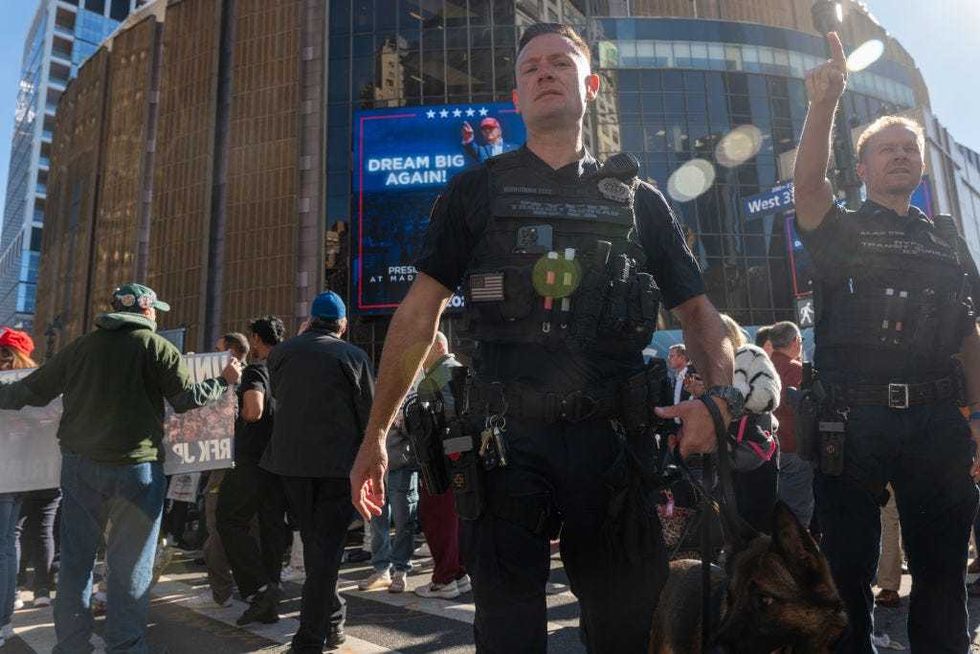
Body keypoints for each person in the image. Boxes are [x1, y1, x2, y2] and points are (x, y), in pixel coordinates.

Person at [351, 22, 738, 652]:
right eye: (530, 68)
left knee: (624, 629)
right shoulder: (473, 191)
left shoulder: (641, 202)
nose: (544, 74)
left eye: (559, 63)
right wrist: (375, 434)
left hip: (611, 444)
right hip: (505, 449)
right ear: (516, 95)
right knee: (506, 632)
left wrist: (718, 400)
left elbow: (698, 313)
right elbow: (419, 314)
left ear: (589, 86)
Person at [794, 32, 980, 653]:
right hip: (853, 420)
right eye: (885, 149)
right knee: (846, 576)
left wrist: (977, 418)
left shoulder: (950, 241)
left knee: (943, 576)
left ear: (921, 165)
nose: (899, 155)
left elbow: (970, 333)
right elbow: (809, 189)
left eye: (909, 148)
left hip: (936, 421)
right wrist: (824, 104)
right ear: (865, 167)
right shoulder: (841, 229)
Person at [0, 283, 241, 654]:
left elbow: (28, 392)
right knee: (130, 565)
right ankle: (126, 647)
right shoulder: (158, 347)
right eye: (155, 311)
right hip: (138, 469)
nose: (157, 316)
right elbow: (184, 400)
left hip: (81, 468)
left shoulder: (80, 347)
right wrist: (222, 381)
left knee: (76, 563)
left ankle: (72, 645)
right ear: (147, 312)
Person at [261, 291, 374, 652]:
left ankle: (333, 620)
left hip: (290, 467)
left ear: (310, 320)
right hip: (337, 468)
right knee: (325, 551)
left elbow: (279, 395)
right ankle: (311, 636)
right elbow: (368, 414)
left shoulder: (281, 353)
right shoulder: (353, 356)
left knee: (315, 547)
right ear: (342, 323)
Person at [217, 317, 289, 624]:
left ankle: (260, 590)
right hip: (282, 462)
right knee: (271, 530)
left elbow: (253, 410)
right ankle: (268, 602)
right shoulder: (290, 371)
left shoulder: (258, 369)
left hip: (251, 461)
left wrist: (233, 386)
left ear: (257, 340)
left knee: (229, 520)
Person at [407, 332, 471, 599]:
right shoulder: (462, 370)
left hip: (440, 458)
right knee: (460, 515)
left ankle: (444, 579)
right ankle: (459, 573)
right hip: (463, 453)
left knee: (436, 516)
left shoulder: (433, 379)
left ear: (435, 348)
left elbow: (427, 426)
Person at [357, 401, 419, 594]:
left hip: (401, 464)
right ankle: (382, 570)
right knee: (377, 521)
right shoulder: (372, 384)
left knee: (404, 521)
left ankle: (400, 571)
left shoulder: (410, 389)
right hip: (377, 466)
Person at [768, 321, 814, 527]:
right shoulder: (797, 371)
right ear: (795, 341)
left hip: (769, 449)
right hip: (796, 449)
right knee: (797, 517)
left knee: (776, 512)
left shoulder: (764, 368)